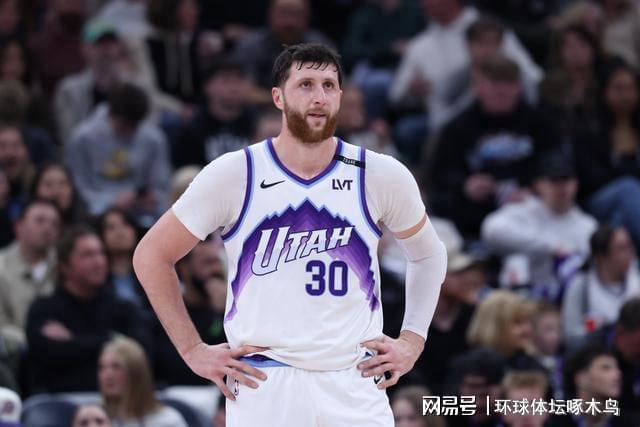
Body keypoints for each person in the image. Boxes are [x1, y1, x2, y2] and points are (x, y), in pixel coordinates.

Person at [133, 43, 447, 426]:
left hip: (353, 378)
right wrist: (192, 349)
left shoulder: (380, 174)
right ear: (278, 97)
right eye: (306, 84)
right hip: (265, 381)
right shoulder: (235, 173)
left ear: (341, 96)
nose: (319, 97)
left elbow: (429, 255)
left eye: (329, 85)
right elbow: (151, 255)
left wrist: (412, 340)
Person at [25, 225, 153, 393]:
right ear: (64, 266)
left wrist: (72, 341)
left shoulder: (123, 308)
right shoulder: (44, 309)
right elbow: (47, 354)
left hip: (119, 399)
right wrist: (113, 339)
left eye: (101, 253)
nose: (98, 262)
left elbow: (141, 351)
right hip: (60, 399)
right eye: (87, 255)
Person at [481, 153, 597, 301]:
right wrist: (551, 248)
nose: (561, 187)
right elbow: (491, 230)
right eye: (554, 180)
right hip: (523, 297)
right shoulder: (523, 211)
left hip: (566, 299)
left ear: (575, 183)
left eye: (566, 180)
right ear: (539, 184)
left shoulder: (587, 225)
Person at [65, 82, 170, 220]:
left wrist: (151, 197)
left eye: (134, 126)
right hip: (97, 210)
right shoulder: (82, 138)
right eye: (124, 125)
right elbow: (79, 186)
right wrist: (111, 202)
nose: (129, 132)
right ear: (109, 114)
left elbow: (161, 186)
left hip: (142, 211)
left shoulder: (154, 139)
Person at [562, 225, 640, 349]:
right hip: (595, 353)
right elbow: (571, 336)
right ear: (601, 256)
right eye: (622, 249)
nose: (630, 253)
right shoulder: (581, 286)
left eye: (630, 246)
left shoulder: (636, 279)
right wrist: (601, 331)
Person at [0, 198, 60, 348]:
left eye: (54, 224)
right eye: (40, 221)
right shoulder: (1, 265)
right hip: (14, 353)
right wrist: (32, 341)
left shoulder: (66, 265)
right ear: (19, 226)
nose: (48, 228)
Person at [99, 337, 187, 427]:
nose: (107, 375)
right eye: (102, 367)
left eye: (116, 367)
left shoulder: (168, 420)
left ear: (136, 372)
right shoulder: (96, 420)